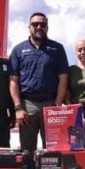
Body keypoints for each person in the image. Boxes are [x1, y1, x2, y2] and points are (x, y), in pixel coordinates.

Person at [9, 12, 70, 151]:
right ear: (29, 27)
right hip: (28, 105)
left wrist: (57, 104)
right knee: (27, 150)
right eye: (35, 24)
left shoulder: (57, 48)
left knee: (53, 150)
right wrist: (18, 108)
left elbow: (63, 78)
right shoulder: (18, 50)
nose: (39, 27)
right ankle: (29, 167)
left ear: (47, 27)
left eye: (42, 24)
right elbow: (13, 81)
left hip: (51, 104)